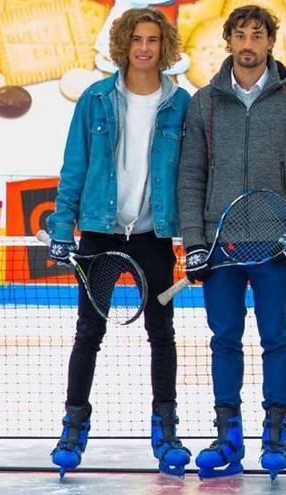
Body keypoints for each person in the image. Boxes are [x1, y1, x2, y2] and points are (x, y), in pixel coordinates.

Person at [176, 4, 286, 480]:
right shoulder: (203, 101)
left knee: (276, 339)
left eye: (257, 36)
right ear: (228, 41)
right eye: (240, 35)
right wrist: (195, 240)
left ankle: (276, 434)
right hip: (220, 247)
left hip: (274, 244)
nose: (248, 44)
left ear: (270, 43)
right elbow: (191, 175)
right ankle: (228, 436)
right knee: (224, 341)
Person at [46, 8, 192, 478]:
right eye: (136, 40)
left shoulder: (181, 103)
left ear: (164, 47)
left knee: (162, 335)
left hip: (153, 235)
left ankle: (165, 429)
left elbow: (190, 175)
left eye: (153, 40)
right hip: (99, 233)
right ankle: (73, 426)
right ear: (124, 46)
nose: (144, 48)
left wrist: (193, 237)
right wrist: (61, 226)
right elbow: (74, 166)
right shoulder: (95, 100)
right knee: (89, 332)